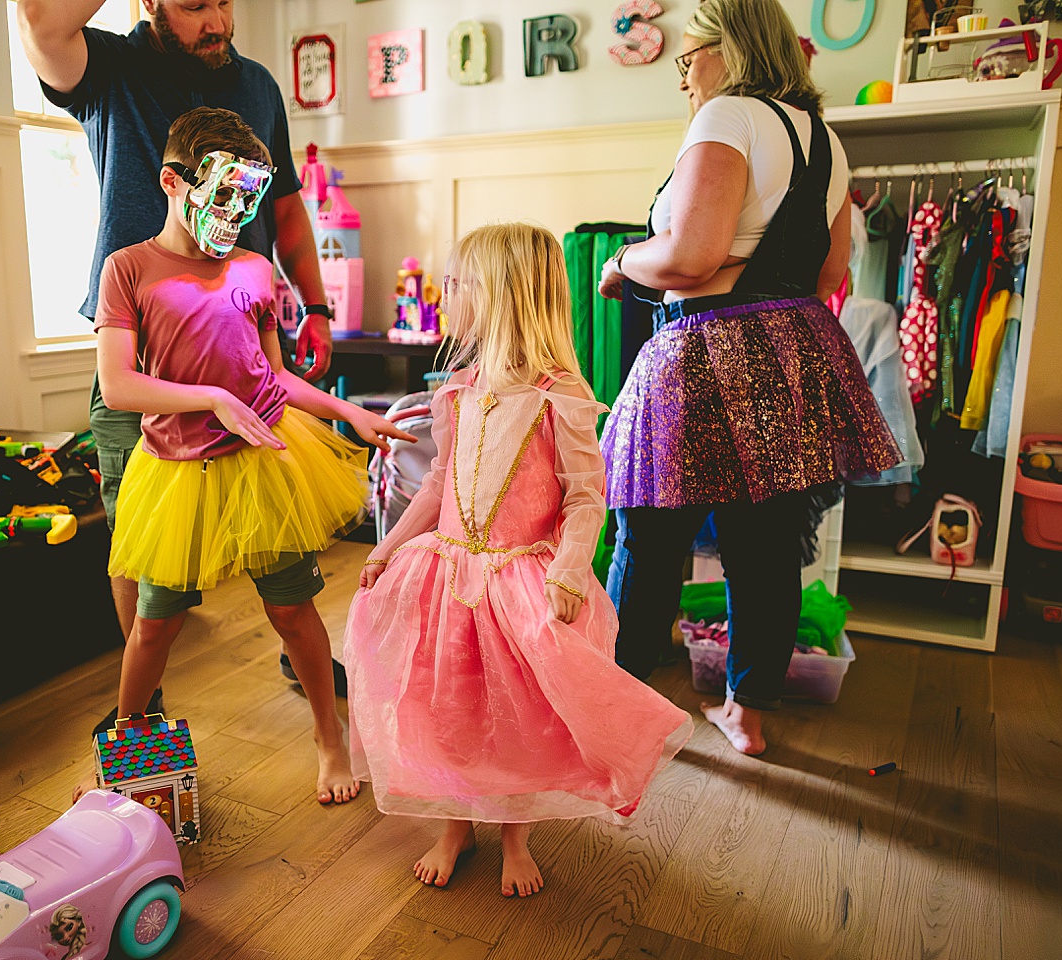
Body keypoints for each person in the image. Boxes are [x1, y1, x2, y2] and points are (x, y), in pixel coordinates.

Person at [345, 223, 692, 897]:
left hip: (520, 583)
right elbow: (439, 483)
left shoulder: (559, 396)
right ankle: (453, 824)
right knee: (449, 706)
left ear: (502, 295)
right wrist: (388, 547)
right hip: (446, 580)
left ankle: (515, 836)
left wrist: (568, 565)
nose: (446, 293)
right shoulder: (456, 392)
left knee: (520, 717)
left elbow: (588, 499)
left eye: (458, 282)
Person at [18, 0, 339, 727]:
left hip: (244, 345)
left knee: (278, 521)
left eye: (226, 1)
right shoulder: (109, 67)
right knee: (137, 539)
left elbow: (285, 205)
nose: (218, 20)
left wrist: (314, 304)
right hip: (140, 356)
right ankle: (146, 694)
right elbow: (38, 19)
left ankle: (300, 642)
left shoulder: (256, 83)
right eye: (196, 5)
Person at [597, 0, 901, 755]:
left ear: (730, 49)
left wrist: (622, 262)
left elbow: (688, 259)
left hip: (702, 350)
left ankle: (618, 704)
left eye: (688, 54)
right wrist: (742, 265)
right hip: (793, 348)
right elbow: (829, 272)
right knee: (764, 542)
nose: (683, 76)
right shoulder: (826, 139)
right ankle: (747, 711)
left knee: (649, 533)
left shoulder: (729, 116)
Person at [95, 107, 414, 804]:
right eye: (225, 195)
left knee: (293, 611)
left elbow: (274, 378)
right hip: (177, 472)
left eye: (250, 200)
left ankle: (331, 739)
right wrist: (209, 397)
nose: (237, 215)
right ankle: (129, 742)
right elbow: (119, 385)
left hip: (264, 460)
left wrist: (350, 411)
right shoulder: (128, 270)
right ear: (174, 182)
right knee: (155, 622)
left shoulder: (253, 269)